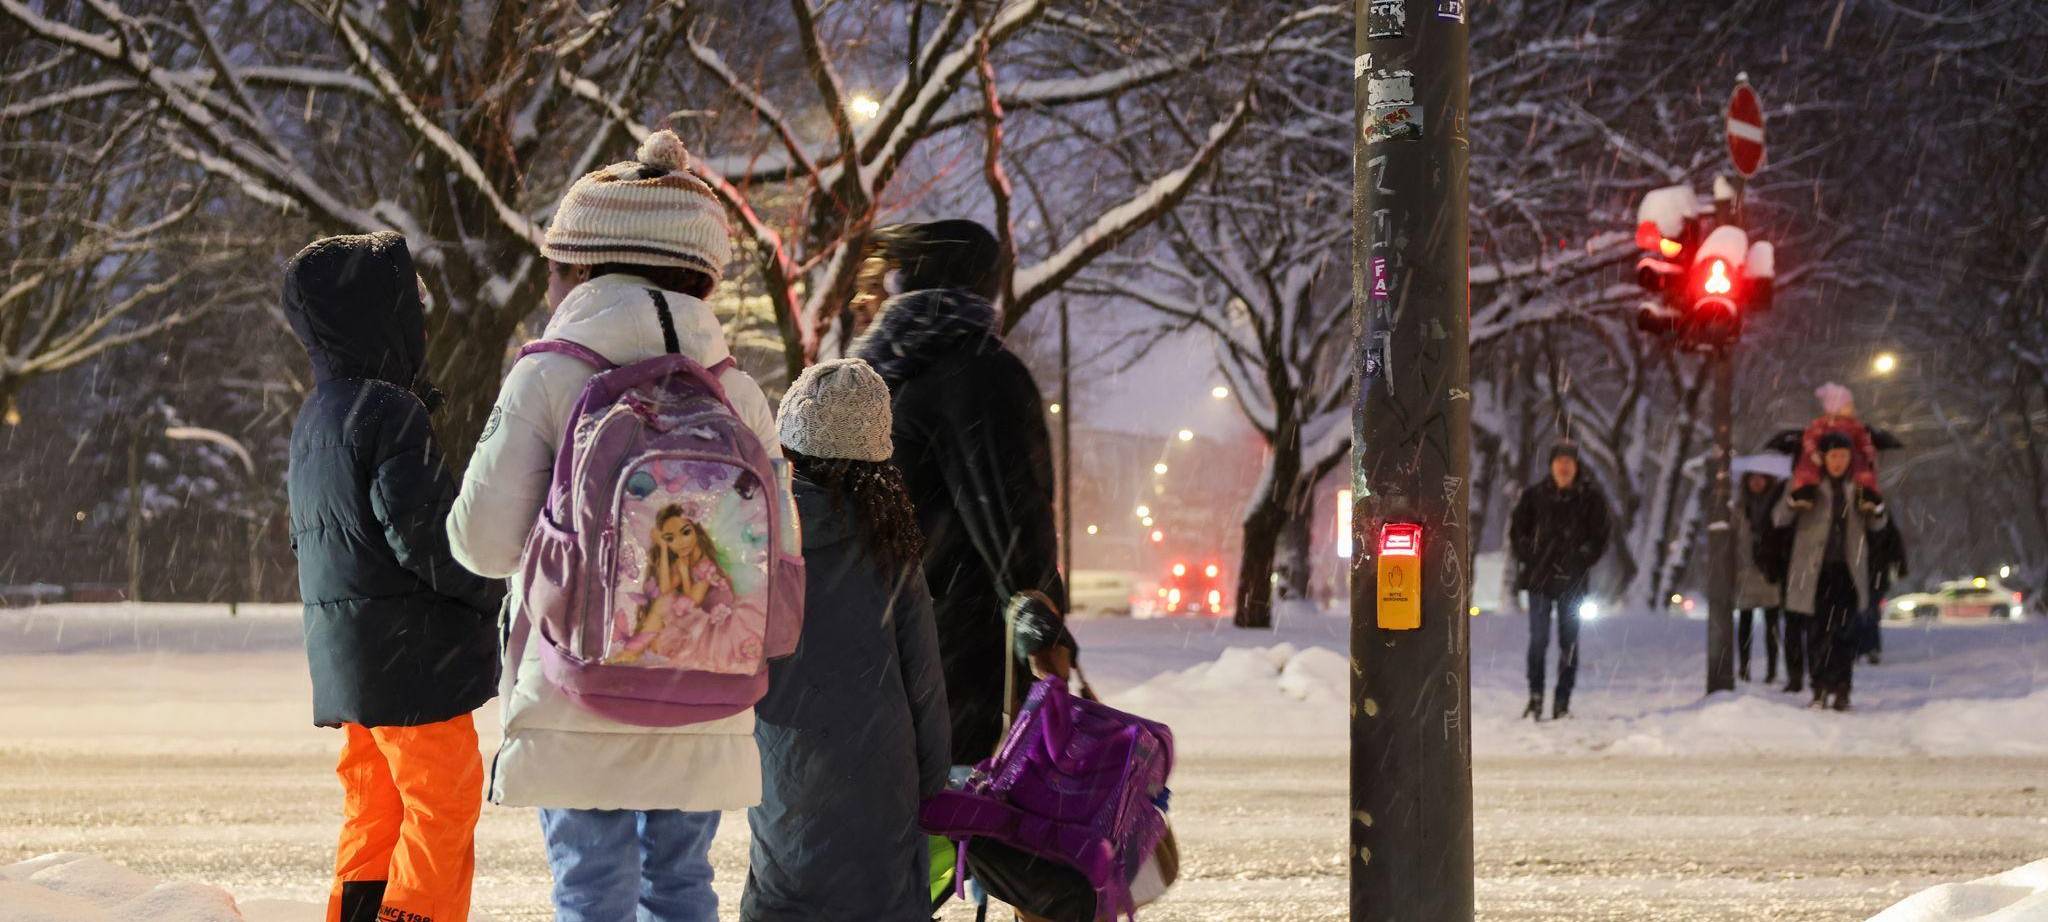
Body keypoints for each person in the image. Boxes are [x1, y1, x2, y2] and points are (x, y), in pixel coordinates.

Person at [447, 130, 780, 922]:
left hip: (577, 692)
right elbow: (776, 561)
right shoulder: (741, 395)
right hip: (708, 689)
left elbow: (480, 543)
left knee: (591, 894)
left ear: (582, 268)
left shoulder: (548, 374)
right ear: (701, 274)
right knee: (682, 888)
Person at [282, 231, 503, 922]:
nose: (424, 320)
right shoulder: (387, 410)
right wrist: (496, 588)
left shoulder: (318, 415)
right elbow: (431, 541)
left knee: (375, 809)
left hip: (352, 659)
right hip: (410, 661)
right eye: (413, 305)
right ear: (381, 317)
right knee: (443, 802)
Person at [848, 219, 1074, 766]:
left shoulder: (888, 375)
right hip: (957, 646)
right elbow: (1011, 516)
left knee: (917, 808)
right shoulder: (979, 374)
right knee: (957, 806)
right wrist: (1042, 620)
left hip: (890, 639)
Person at [741, 358, 951, 922]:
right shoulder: (890, 546)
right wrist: (930, 788)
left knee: (784, 896)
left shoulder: (760, 536)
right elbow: (924, 679)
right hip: (884, 772)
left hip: (784, 765)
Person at [1774, 431, 1889, 711]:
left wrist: (1877, 508)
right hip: (1815, 573)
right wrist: (1793, 500)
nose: (1837, 462)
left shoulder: (1859, 486)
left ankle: (1842, 688)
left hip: (1847, 572)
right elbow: (1779, 519)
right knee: (1816, 632)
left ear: (1851, 459)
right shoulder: (1806, 483)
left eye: (1843, 456)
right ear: (1822, 458)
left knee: (1844, 633)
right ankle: (1819, 687)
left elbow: (1878, 524)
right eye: (1833, 456)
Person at [1508, 441, 1611, 721]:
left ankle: (1562, 701)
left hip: (1573, 581)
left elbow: (1601, 535)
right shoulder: (1534, 496)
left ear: (1576, 467)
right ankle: (1536, 697)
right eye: (1559, 462)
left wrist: (1581, 556)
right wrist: (1532, 555)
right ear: (1551, 466)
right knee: (1538, 640)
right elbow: (1517, 532)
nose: (1564, 467)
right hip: (1540, 579)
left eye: (1569, 462)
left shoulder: (1590, 498)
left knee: (1570, 642)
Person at [1734, 471, 1786, 684]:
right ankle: (1744, 667)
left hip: (1769, 571)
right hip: (1745, 570)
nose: (1756, 482)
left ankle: (1772, 669)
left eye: (1761, 477)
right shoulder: (1739, 507)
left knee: (1771, 623)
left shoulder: (1776, 504)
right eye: (1752, 478)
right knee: (1744, 623)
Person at [1790, 383, 1880, 495]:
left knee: (1862, 467)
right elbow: (1810, 437)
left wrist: (1867, 450)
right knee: (1809, 467)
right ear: (1835, 407)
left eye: (1851, 405)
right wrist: (1812, 451)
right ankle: (1804, 490)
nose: (1851, 408)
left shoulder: (1855, 425)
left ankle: (1866, 492)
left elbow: (1862, 439)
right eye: (1847, 405)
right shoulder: (1823, 423)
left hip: (1849, 456)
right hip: (1825, 455)